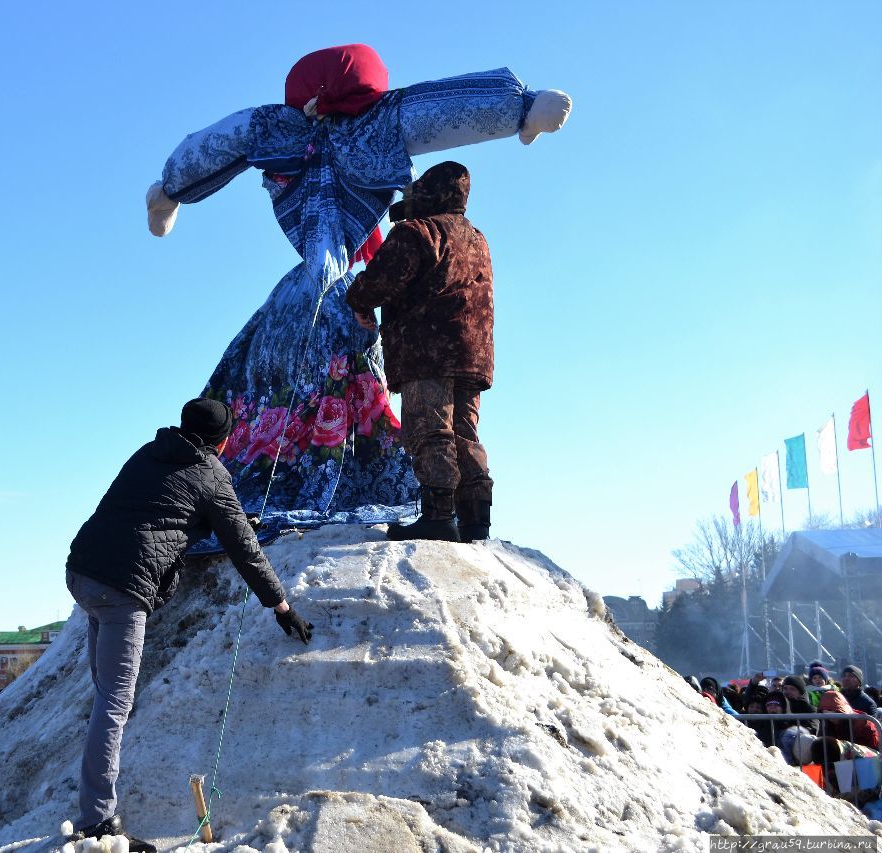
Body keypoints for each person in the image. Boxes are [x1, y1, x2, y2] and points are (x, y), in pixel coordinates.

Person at [147, 47, 570, 537]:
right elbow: (441, 108)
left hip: (322, 300)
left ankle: (431, 512)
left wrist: (169, 191)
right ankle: (464, 515)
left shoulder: (274, 128)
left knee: (411, 419)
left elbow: (217, 143)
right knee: (452, 427)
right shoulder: (396, 137)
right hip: (440, 338)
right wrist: (521, 107)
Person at [64, 397, 313, 851]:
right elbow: (245, 549)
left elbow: (152, 511)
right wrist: (280, 606)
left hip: (83, 571)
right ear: (223, 440)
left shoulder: (148, 451)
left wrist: (207, 522)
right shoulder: (212, 474)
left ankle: (91, 799)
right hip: (123, 586)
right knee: (115, 704)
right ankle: (97, 820)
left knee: (105, 697)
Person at [346, 161, 494, 542]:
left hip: (427, 349)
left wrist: (359, 301)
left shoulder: (420, 232)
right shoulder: (477, 238)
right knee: (465, 431)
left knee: (429, 428)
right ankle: (476, 519)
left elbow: (378, 281)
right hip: (473, 353)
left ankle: (438, 516)